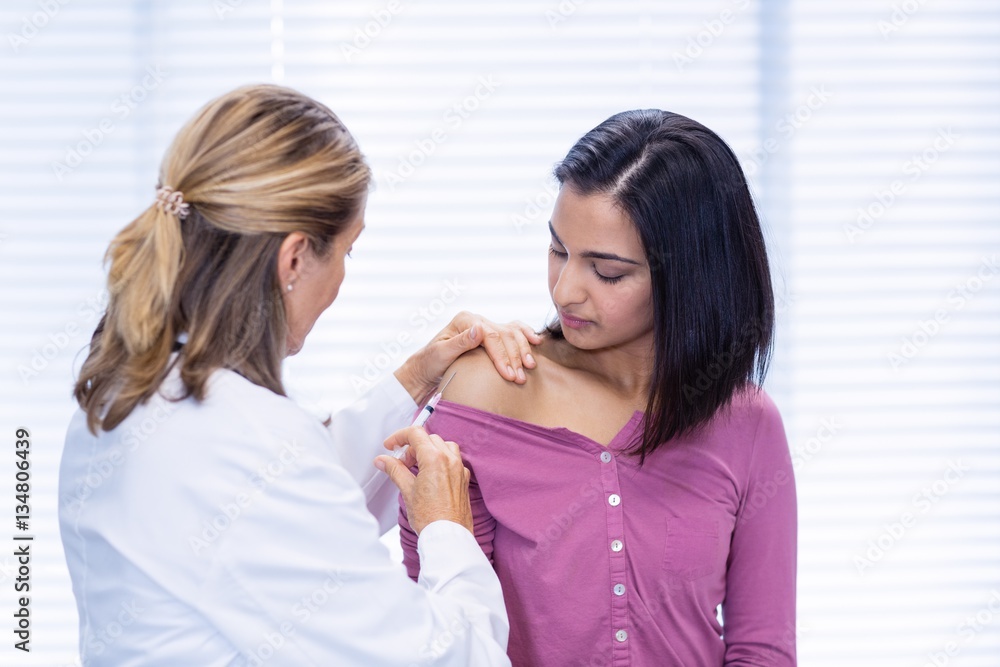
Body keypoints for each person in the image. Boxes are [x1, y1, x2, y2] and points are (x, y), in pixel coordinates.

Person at [58, 83, 544, 666]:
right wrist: (448, 530)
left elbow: (285, 505)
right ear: (293, 259)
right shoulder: (245, 443)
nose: (342, 277)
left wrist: (415, 379)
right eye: (346, 252)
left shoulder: (123, 393)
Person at [394, 110, 798, 666]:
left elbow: (763, 650)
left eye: (607, 272)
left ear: (692, 276)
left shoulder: (746, 422)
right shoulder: (489, 391)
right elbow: (448, 639)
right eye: (558, 250)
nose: (565, 292)